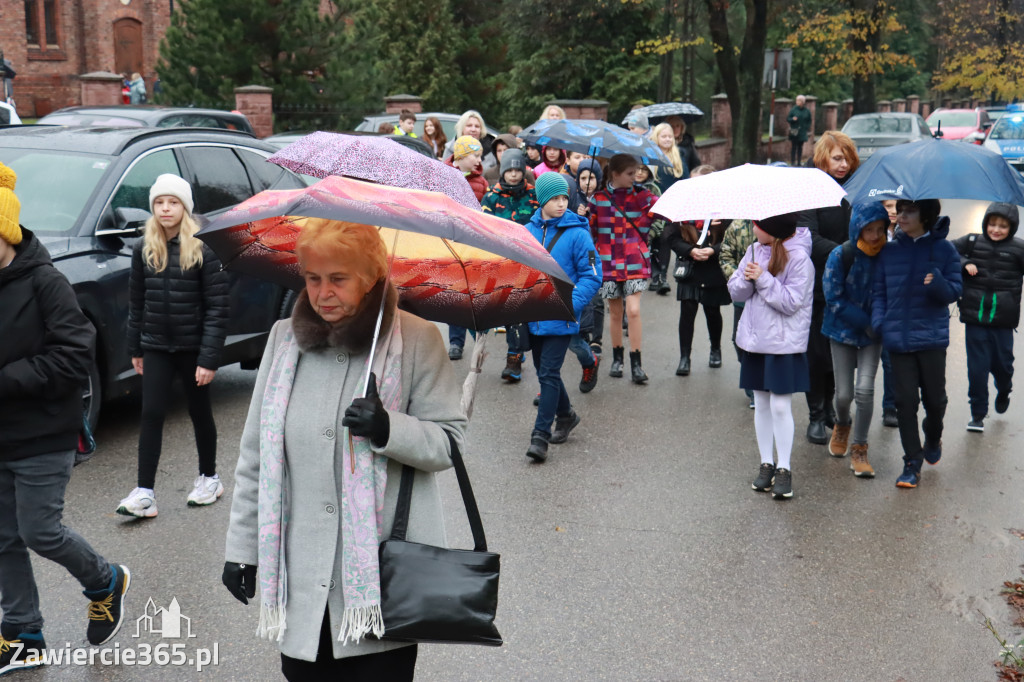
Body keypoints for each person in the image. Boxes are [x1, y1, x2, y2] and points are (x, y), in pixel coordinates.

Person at [223, 219, 467, 680]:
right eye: (313, 278)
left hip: (382, 588)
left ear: (372, 277)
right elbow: (255, 456)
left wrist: (388, 428)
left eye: (338, 278)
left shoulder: (416, 340)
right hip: (302, 582)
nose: (322, 293)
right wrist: (243, 549)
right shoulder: (283, 340)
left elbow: (449, 443)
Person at [0, 163, 131, 674]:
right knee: (3, 539)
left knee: (39, 531)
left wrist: (7, 380)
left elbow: (76, 354)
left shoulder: (45, 282)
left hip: (44, 432)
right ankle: (23, 632)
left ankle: (104, 580)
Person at [116, 174, 229, 518]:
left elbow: (217, 307)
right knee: (151, 413)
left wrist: (209, 358)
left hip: (193, 348)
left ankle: (209, 477)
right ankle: (144, 492)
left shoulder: (203, 248)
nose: (166, 209)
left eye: (174, 202)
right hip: (155, 345)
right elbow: (136, 302)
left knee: (199, 412)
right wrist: (135, 348)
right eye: (160, 203)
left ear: (185, 207)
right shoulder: (143, 247)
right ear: (153, 207)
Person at [871, 199, 962, 488]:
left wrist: (937, 282)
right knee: (904, 402)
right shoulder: (889, 251)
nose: (900, 215)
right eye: (900, 209)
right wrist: (879, 322)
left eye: (909, 211)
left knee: (935, 401)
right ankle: (912, 462)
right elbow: (878, 292)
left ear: (926, 215)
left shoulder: (944, 250)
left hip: (932, 337)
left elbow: (955, 292)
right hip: (897, 338)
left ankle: (933, 435)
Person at [727, 212, 814, 500]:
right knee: (761, 404)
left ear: (772, 230)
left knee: (779, 406)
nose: (752, 228)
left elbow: (791, 303)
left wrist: (763, 278)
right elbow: (736, 292)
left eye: (757, 224)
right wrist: (748, 278)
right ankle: (766, 463)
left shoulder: (800, 258)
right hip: (755, 340)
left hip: (782, 344)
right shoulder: (753, 250)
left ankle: (784, 468)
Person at [523, 173, 602, 462]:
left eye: (564, 197)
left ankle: (539, 436)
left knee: (547, 374)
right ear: (542, 200)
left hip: (561, 316)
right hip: (533, 315)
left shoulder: (578, 233)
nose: (561, 203)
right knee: (548, 373)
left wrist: (569, 304)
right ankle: (566, 415)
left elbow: (592, 277)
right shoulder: (527, 230)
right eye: (554, 198)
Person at [820, 203, 890, 477]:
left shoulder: (888, 254)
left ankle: (859, 447)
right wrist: (866, 322)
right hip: (842, 331)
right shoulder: (842, 254)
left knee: (865, 391)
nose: (875, 236)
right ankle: (842, 424)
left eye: (880, 230)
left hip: (875, 335)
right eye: (869, 229)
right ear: (857, 228)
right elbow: (833, 297)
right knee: (845, 394)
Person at [800, 131, 859, 446]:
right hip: (818, 284)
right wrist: (848, 252)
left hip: (850, 285)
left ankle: (834, 410)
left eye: (848, 157)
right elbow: (808, 238)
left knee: (842, 352)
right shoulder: (811, 190)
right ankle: (815, 415)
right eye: (838, 157)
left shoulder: (854, 189)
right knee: (817, 354)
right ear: (823, 156)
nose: (844, 164)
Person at [952, 202, 1024, 432]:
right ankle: (978, 414)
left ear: (1012, 228)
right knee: (977, 368)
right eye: (992, 224)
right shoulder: (972, 242)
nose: (996, 229)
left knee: (1003, 365)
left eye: (1003, 226)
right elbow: (946, 252)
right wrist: (965, 262)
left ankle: (1004, 389)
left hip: (1003, 319)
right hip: (975, 317)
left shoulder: (1019, 248)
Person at [590, 153, 657, 383]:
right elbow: (589, 232)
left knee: (634, 310)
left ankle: (636, 363)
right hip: (607, 262)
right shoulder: (597, 199)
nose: (636, 176)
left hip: (635, 261)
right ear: (615, 174)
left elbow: (665, 213)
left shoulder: (644, 197)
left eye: (637, 171)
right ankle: (617, 359)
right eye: (630, 173)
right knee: (616, 312)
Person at [481, 149, 539, 383]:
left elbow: (541, 223)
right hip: (501, 260)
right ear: (503, 171)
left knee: (520, 310)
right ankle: (516, 349)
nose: (514, 175)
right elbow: (483, 226)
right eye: (509, 170)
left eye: (518, 170)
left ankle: (513, 358)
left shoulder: (534, 196)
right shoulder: (491, 196)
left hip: (528, 259)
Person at [665, 191, 731, 377]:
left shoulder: (723, 209)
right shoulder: (683, 210)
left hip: (713, 267)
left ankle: (715, 349)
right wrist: (690, 251)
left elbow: (731, 239)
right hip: (690, 266)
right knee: (687, 310)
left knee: (712, 310)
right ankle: (684, 357)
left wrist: (712, 250)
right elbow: (671, 237)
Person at [445, 136, 488, 360]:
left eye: (480, 156)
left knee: (472, 294)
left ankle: (478, 341)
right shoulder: (443, 175)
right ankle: (455, 341)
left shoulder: (481, 182)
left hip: (472, 241)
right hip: (450, 239)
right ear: (461, 156)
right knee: (455, 293)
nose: (479, 160)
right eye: (475, 155)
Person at [719, 211, 757, 408]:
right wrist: (739, 279)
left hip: (767, 295)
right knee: (739, 339)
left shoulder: (777, 226)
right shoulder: (737, 225)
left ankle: (757, 387)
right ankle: (750, 376)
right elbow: (725, 255)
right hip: (743, 297)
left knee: (761, 340)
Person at [633, 164, 671, 295]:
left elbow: (659, 215)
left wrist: (651, 233)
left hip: (651, 227)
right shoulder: (626, 188)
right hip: (632, 229)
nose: (639, 172)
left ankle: (661, 276)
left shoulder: (653, 189)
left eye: (644, 170)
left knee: (663, 239)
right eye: (637, 168)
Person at [879, 199, 900, 426]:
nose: (893, 212)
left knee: (890, 361)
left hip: (894, 305)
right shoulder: (872, 231)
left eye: (897, 207)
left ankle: (890, 406)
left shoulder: (907, 234)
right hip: (875, 300)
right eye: (887, 206)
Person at [650, 122, 687, 193]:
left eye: (670, 136)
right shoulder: (650, 155)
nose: (667, 139)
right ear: (656, 137)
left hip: (675, 194)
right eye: (663, 136)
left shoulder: (679, 155)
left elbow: (685, 177)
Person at [787, 95, 812, 166]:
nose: (797, 102)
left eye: (798, 101)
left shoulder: (806, 111)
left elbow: (809, 120)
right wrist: (792, 119)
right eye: (796, 100)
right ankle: (792, 162)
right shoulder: (793, 110)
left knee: (800, 147)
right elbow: (788, 118)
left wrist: (806, 127)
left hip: (802, 132)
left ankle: (798, 162)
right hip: (794, 131)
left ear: (802, 102)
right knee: (793, 147)